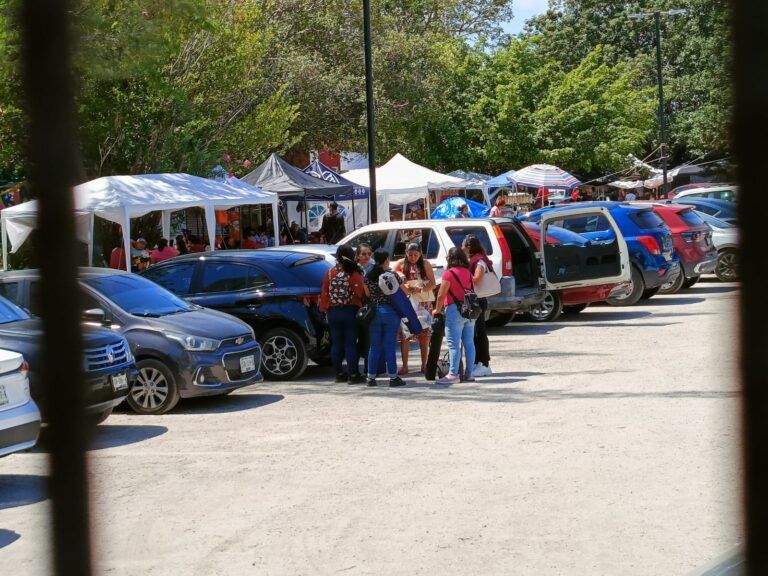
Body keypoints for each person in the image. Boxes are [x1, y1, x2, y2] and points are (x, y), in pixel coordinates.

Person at [320, 245, 368, 384]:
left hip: (333, 312)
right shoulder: (354, 272)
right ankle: (353, 374)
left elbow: (324, 292)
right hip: (350, 311)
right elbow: (360, 293)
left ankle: (339, 374)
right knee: (350, 343)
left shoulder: (330, 272)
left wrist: (325, 309)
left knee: (336, 343)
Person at [432, 247, 476, 384]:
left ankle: (453, 374)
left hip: (454, 310)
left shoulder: (448, 273)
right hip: (469, 311)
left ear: (450, 258)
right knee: (469, 343)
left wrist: (437, 310)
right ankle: (469, 373)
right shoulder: (468, 272)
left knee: (453, 345)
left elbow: (441, 295)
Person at [365, 249, 407, 387]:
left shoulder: (368, 276)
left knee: (374, 346)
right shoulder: (392, 275)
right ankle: (393, 377)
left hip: (374, 312)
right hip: (391, 312)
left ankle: (371, 377)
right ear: (386, 260)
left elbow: (367, 294)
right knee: (389, 345)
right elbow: (402, 290)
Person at [393, 242, 436, 374]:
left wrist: (421, 288)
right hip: (406, 303)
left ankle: (424, 365)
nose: (412, 258)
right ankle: (405, 366)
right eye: (410, 255)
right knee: (405, 335)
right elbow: (393, 281)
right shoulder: (400, 263)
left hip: (423, 303)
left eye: (415, 255)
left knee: (424, 335)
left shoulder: (425, 264)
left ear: (420, 254)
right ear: (406, 253)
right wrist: (405, 286)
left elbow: (433, 283)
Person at [462, 235, 493, 377]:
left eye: (463, 246)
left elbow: (477, 280)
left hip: (478, 301)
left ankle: (484, 363)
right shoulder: (474, 260)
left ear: (469, 247)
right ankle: (476, 361)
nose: (462, 248)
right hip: (474, 299)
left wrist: (462, 275)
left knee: (480, 332)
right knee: (474, 333)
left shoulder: (479, 261)